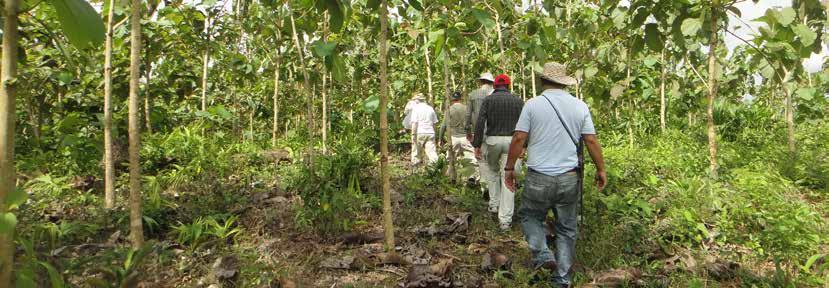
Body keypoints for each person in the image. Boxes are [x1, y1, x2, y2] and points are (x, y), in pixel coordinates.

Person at [504, 62, 607, 288]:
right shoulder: (580, 106)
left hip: (538, 175)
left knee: (530, 216)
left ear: (542, 81)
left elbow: (519, 138)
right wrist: (601, 169)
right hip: (569, 177)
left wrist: (509, 168)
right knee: (567, 229)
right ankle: (562, 279)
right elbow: (590, 140)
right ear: (563, 82)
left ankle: (542, 254)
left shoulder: (532, 105)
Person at [472, 74, 524, 231]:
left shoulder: (488, 100)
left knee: (493, 172)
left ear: (494, 86)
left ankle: (494, 205)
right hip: (513, 143)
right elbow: (525, 125)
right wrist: (524, 145)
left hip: (493, 141)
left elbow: (480, 122)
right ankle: (505, 221)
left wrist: (477, 144)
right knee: (508, 177)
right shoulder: (518, 101)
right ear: (508, 86)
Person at [467, 72, 495, 187]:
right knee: (494, 161)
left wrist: (467, 131)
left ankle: (485, 185)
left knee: (482, 161)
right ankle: (493, 186)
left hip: (479, 133)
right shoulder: (495, 94)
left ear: (481, 82)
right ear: (492, 82)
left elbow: (468, 115)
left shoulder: (473, 95)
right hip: (494, 133)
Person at [438, 91, 476, 164]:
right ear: (461, 98)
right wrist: (474, 136)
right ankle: (472, 175)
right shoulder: (467, 109)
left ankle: (452, 175)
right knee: (472, 159)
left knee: (450, 161)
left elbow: (443, 126)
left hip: (453, 138)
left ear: (452, 99)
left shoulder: (448, 110)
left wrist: (440, 139)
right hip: (466, 137)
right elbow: (474, 123)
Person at [409, 93, 439, 166]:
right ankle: (437, 169)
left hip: (419, 132)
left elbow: (414, 123)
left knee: (416, 153)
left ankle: (415, 172)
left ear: (417, 101)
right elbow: (434, 123)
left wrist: (413, 134)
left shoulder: (416, 109)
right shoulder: (430, 108)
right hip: (430, 132)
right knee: (432, 153)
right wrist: (434, 133)